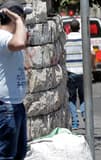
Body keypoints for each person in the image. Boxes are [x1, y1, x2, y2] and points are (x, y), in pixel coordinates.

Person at [0, 1, 32, 159]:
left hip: (15, 105)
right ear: (14, 17)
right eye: (23, 17)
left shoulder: (9, 39)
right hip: (6, 106)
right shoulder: (2, 37)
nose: (25, 21)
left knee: (18, 154)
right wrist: (19, 21)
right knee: (7, 156)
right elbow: (19, 43)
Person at [64, 19, 85, 130]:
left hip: (70, 72)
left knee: (71, 99)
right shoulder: (84, 38)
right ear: (79, 28)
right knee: (83, 97)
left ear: (70, 28)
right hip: (82, 72)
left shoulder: (66, 39)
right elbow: (91, 53)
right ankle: (85, 116)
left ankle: (75, 123)